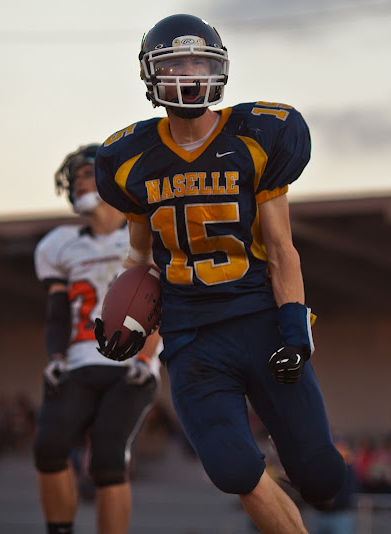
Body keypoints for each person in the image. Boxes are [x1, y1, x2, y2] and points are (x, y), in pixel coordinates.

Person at [93, 14, 346, 533]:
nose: (189, 73)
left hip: (260, 321)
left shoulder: (258, 134)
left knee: (322, 477)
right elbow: (138, 261)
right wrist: (125, 326)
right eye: (177, 63)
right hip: (192, 337)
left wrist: (297, 335)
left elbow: (281, 250)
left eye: (198, 61)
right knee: (234, 469)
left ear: (218, 69)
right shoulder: (129, 158)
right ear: (152, 76)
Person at [32, 144, 160, 534]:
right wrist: (55, 356)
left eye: (86, 174)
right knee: (48, 448)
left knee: (107, 457)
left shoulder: (149, 232)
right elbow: (56, 313)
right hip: (79, 361)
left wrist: (144, 359)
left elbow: (159, 306)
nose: (77, 183)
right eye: (74, 177)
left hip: (129, 365)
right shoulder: (58, 245)